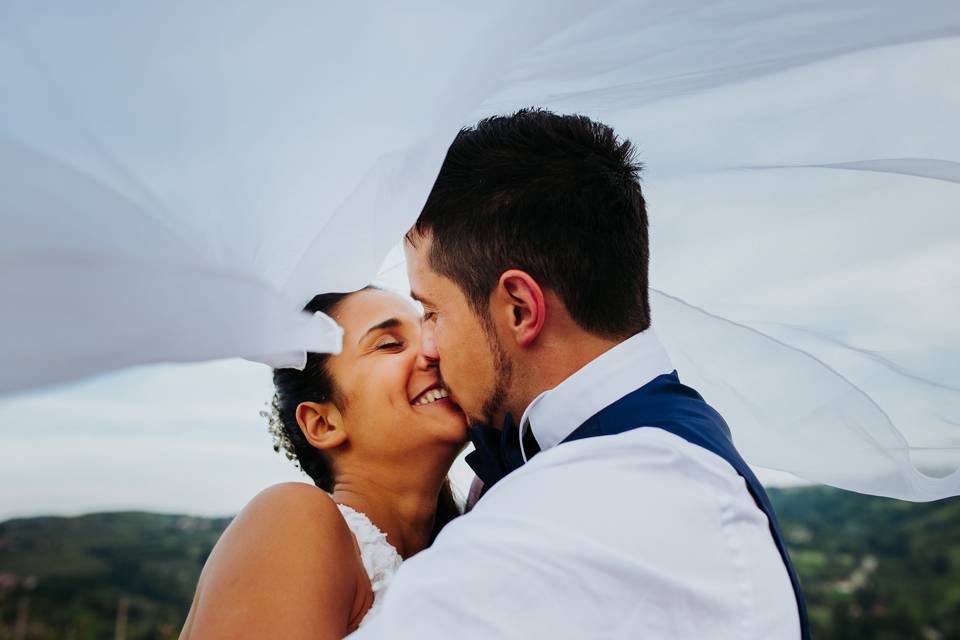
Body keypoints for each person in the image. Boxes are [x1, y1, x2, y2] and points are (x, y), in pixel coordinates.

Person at [350, 109, 808, 639]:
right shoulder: (665, 450)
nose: (428, 348)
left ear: (519, 308)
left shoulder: (608, 495)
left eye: (432, 311)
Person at [179, 287, 466, 639]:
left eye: (428, 330)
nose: (432, 350)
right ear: (323, 423)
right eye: (390, 344)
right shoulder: (291, 519)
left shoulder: (474, 535)